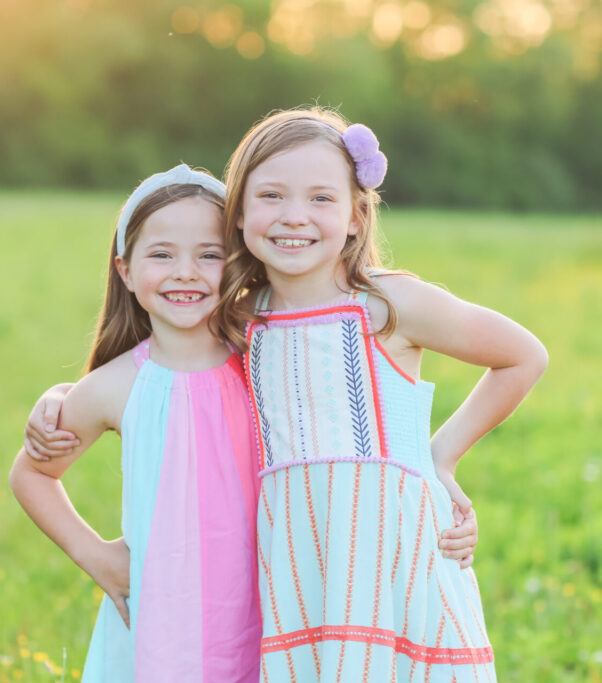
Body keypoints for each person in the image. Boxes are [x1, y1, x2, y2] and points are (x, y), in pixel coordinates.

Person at [208, 107, 548, 681]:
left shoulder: (388, 306)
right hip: (293, 561)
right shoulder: (237, 320)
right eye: (271, 196)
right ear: (239, 212)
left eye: (321, 198)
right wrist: (67, 395)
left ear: (356, 216)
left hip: (393, 559)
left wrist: (439, 457)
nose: (294, 216)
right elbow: (157, 372)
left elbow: (523, 356)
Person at [9, 165, 261, 682]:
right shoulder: (117, 384)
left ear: (238, 263)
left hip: (263, 601)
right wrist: (97, 557)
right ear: (125, 270)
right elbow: (32, 473)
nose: (186, 272)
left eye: (210, 255)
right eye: (162, 255)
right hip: (163, 619)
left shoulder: (263, 356)